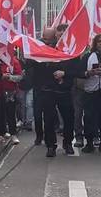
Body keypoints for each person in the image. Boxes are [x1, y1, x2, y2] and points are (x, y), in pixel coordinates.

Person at [29, 27, 82, 157]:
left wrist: (65, 73)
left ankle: (68, 143)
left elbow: (78, 71)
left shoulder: (72, 51)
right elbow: (33, 67)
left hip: (64, 91)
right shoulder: (42, 49)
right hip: (48, 90)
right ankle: (50, 145)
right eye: (57, 35)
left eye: (63, 34)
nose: (59, 37)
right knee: (48, 120)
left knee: (69, 119)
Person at [0, 47, 23, 145]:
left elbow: (20, 77)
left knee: (10, 114)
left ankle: (13, 134)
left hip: (10, 92)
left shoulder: (13, 62)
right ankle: (1, 134)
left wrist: (9, 77)